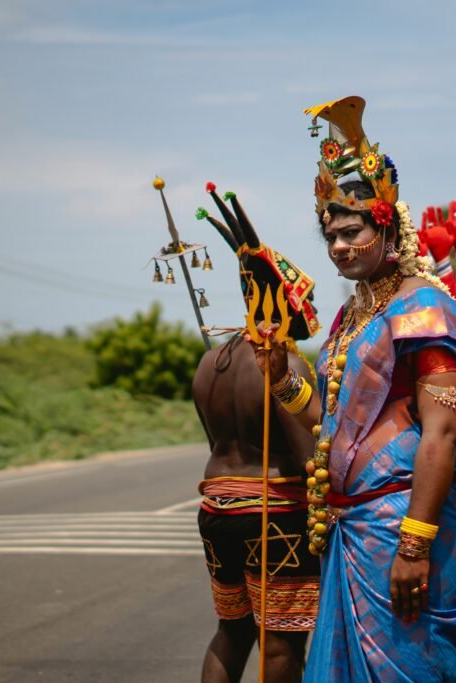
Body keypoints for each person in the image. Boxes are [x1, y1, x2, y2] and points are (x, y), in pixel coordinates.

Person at [247, 96, 456, 682]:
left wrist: (414, 546)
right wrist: (283, 372)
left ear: (386, 225)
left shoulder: (423, 308)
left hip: (406, 529)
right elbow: (329, 426)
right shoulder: (350, 321)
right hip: (354, 528)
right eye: (331, 235)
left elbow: (443, 430)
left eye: (352, 230)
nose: (339, 245)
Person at [191, 182, 325, 683]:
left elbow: (216, 441)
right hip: (273, 511)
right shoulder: (285, 364)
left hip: (217, 507)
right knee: (282, 637)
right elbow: (310, 454)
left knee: (233, 628)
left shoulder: (209, 363)